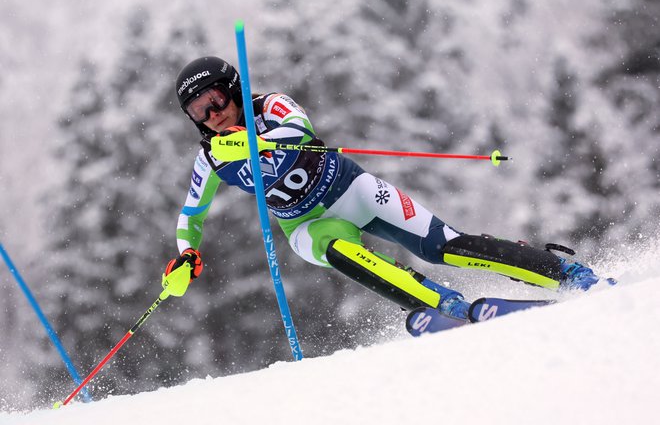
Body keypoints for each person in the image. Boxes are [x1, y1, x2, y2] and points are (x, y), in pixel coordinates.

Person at [164, 56, 602, 321]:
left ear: (233, 89)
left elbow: (301, 128)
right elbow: (191, 215)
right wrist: (186, 254)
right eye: (199, 111)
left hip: (352, 190)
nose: (212, 114)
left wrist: (254, 141)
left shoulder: (270, 105)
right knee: (340, 250)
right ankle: (442, 304)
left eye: (216, 100)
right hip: (306, 225)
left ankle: (565, 273)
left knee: (445, 247)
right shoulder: (211, 158)